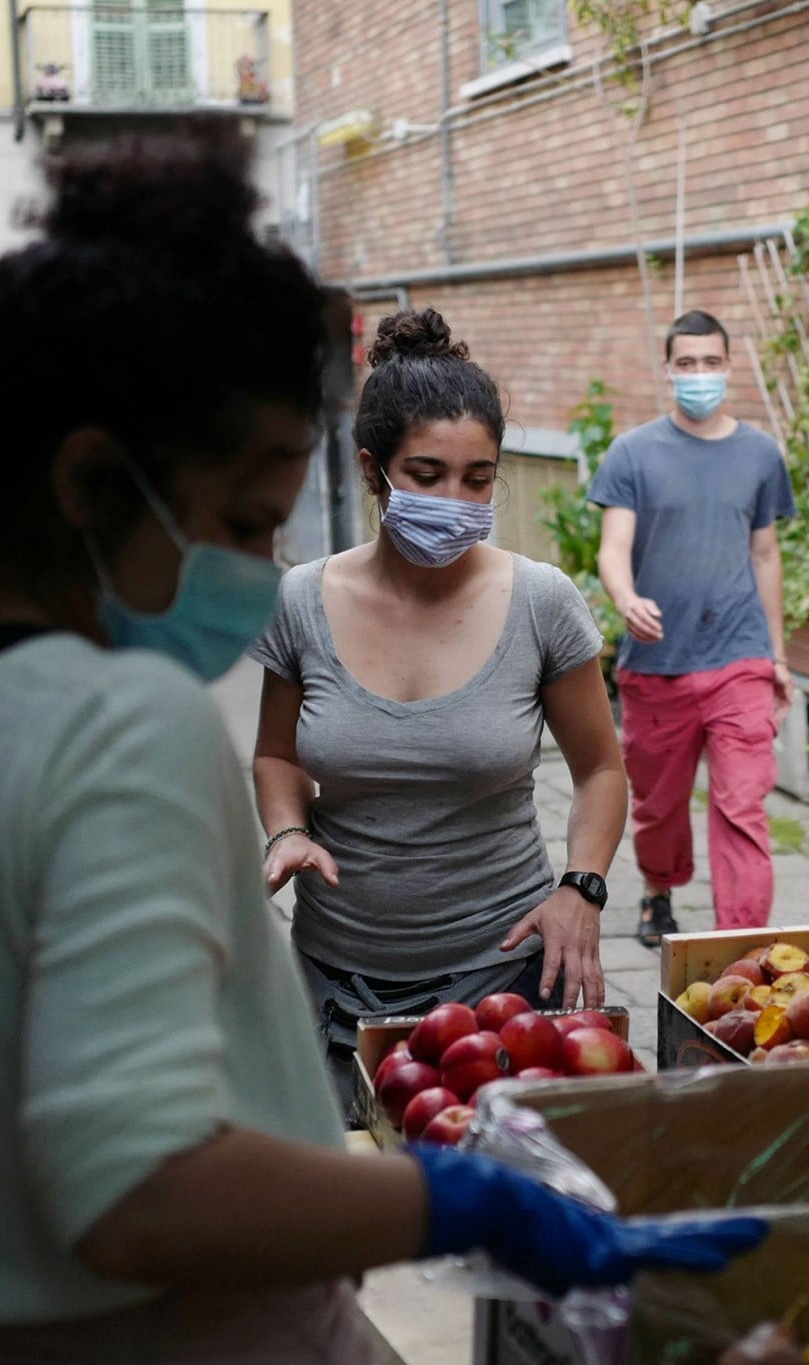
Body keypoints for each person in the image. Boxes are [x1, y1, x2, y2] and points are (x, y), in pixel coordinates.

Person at [0, 126, 760, 1363]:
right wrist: (462, 1199)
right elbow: (142, 1194)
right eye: (241, 517)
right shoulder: (112, 730)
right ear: (90, 481)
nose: (258, 567)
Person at [251, 308, 626, 1122]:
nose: (455, 500)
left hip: (503, 978)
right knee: (335, 1210)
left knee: (501, 1211)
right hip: (332, 979)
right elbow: (276, 755)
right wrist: (285, 830)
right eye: (426, 474)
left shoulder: (540, 603)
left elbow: (600, 769)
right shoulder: (301, 602)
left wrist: (583, 889)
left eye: (478, 478)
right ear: (372, 468)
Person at [591, 310, 795, 945]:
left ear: (729, 367)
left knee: (742, 806)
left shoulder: (761, 454)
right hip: (657, 667)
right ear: (668, 370)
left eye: (711, 363)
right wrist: (624, 598)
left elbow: (765, 555)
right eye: (687, 364)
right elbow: (612, 546)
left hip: (740, 657)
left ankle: (740, 942)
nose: (700, 375)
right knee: (659, 808)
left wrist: (778, 657)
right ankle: (658, 890)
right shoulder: (633, 453)